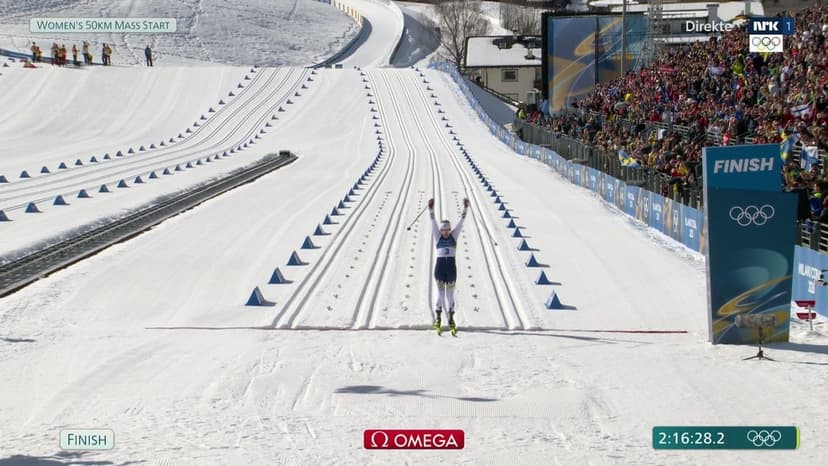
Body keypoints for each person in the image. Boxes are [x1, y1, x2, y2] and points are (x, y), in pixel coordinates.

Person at [428, 196, 470, 334]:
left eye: (447, 230)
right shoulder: (438, 236)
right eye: (443, 230)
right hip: (440, 269)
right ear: (440, 231)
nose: (445, 233)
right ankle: (438, 318)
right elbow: (433, 222)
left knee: (450, 296)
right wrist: (431, 209)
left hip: (451, 269)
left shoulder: (454, 236)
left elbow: (461, 222)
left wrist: (465, 207)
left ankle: (451, 318)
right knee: (440, 295)